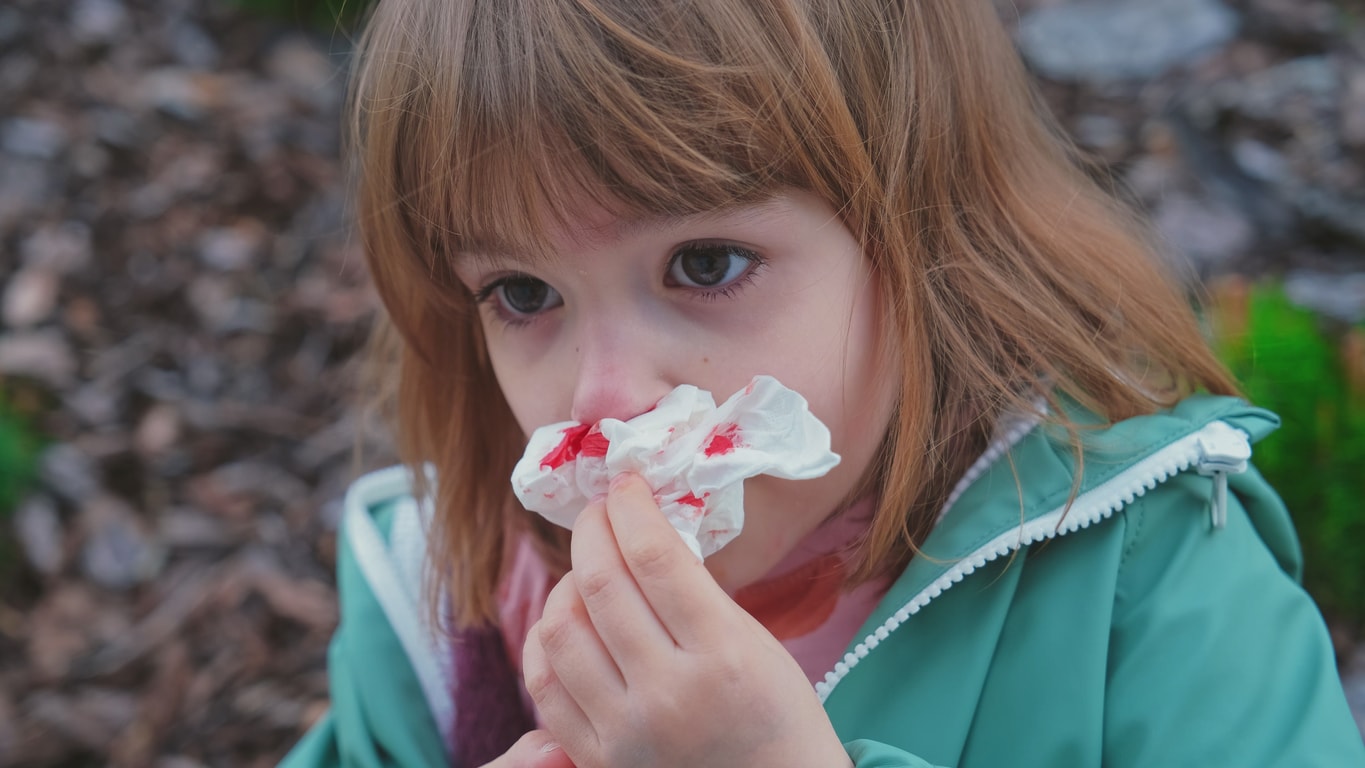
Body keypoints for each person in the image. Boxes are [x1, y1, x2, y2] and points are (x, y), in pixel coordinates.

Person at [280, 0, 1365, 766]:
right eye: (522, 293)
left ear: (926, 240)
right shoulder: (455, 612)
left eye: (704, 264)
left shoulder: (1150, 590)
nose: (603, 400)